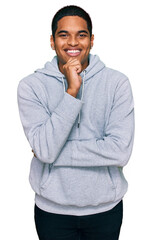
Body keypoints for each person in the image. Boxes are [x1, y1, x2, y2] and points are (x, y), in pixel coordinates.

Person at [17, 5, 134, 240]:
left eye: (81, 35)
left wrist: (51, 154)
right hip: (52, 211)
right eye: (64, 35)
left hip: (105, 209)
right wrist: (71, 92)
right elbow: (45, 150)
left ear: (91, 40)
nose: (73, 43)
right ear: (52, 41)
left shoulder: (117, 83)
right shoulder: (31, 86)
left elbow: (120, 152)